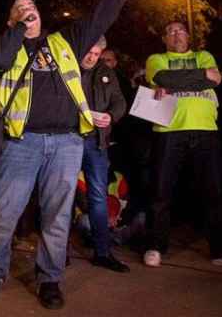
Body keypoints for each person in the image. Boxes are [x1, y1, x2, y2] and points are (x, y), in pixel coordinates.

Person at [0, 0, 143, 310]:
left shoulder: (66, 42)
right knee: (2, 213)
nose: (29, 11)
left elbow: (101, 16)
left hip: (66, 143)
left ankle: (49, 279)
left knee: (57, 215)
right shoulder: (7, 45)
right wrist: (17, 27)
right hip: (21, 143)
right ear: (12, 18)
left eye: (32, 7)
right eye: (21, 8)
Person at [142, 21, 222, 272]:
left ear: (188, 36)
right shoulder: (156, 59)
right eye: (170, 30)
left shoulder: (203, 55)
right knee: (161, 192)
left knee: (213, 193)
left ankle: (221, 250)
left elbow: (215, 80)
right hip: (169, 131)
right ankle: (155, 247)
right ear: (164, 38)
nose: (176, 33)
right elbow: (163, 77)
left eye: (180, 30)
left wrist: (179, 81)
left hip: (205, 130)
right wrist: (200, 77)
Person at [79, 36, 129, 273]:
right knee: (61, 194)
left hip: (97, 142)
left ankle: (102, 252)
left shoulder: (107, 73)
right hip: (69, 140)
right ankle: (59, 252)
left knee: (98, 196)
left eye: (97, 53)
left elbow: (120, 102)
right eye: (88, 51)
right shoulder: (67, 68)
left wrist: (111, 116)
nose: (91, 57)